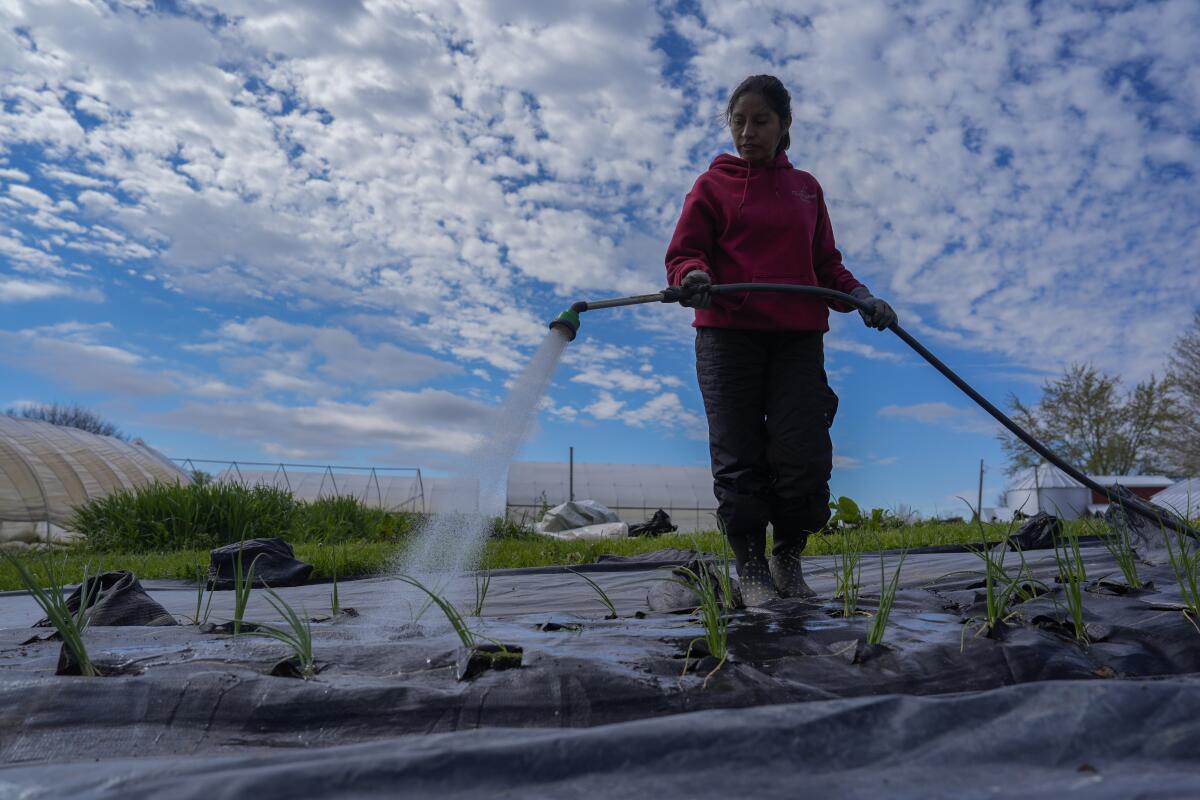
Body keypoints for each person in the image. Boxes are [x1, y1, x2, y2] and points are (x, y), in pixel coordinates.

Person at [665, 74, 896, 605]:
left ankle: (787, 559)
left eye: (761, 120)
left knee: (804, 452)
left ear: (784, 125)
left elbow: (825, 264)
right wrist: (693, 278)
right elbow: (685, 253)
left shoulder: (805, 188)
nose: (747, 132)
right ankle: (751, 571)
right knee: (739, 453)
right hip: (727, 337)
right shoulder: (711, 185)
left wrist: (861, 296)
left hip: (795, 338)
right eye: (738, 121)